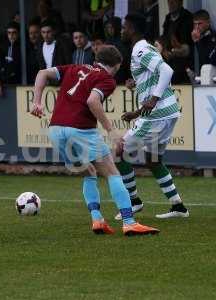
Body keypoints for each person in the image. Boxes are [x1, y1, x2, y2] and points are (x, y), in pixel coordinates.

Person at [31, 45, 159, 236]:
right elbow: (92, 101)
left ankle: (97, 219)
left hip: (56, 130)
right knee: (112, 172)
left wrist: (37, 101)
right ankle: (129, 222)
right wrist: (111, 131)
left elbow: (42, 73)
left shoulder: (74, 68)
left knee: (89, 172)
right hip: (80, 129)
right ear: (116, 65)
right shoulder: (107, 79)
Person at [117, 13, 189, 220]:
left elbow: (167, 70)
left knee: (120, 150)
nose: (122, 30)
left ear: (132, 29)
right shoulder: (144, 49)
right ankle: (178, 206)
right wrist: (138, 104)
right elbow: (155, 77)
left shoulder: (140, 50)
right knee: (153, 159)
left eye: (124, 26)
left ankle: (134, 202)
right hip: (166, 112)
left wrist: (154, 99)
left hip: (158, 114)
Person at [191, 9, 216, 75]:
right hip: (195, 77)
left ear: (208, 22)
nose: (196, 27)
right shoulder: (192, 36)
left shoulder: (213, 37)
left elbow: (207, 60)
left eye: (199, 24)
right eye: (195, 24)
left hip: (210, 77)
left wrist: (198, 42)